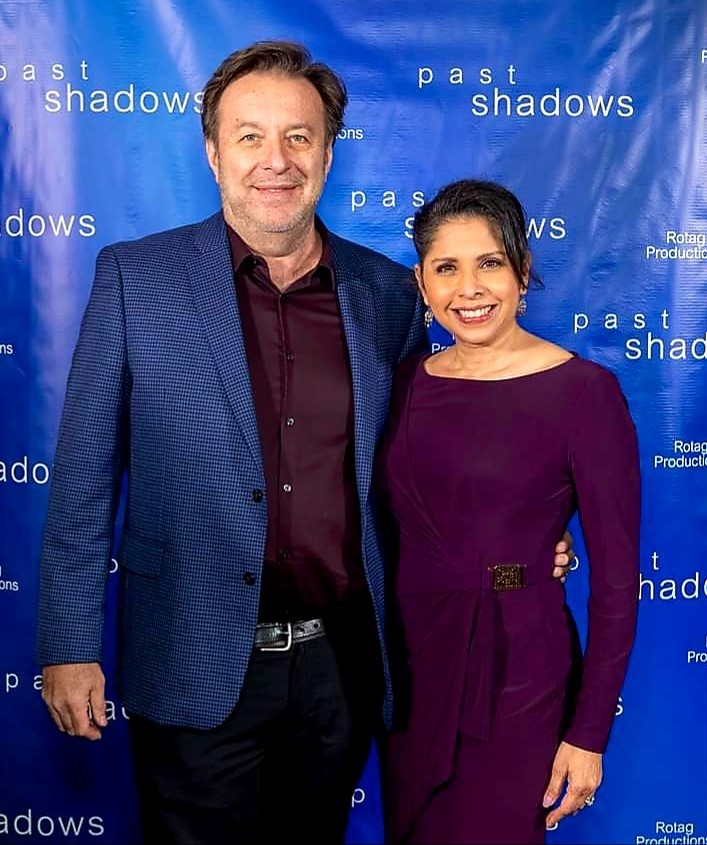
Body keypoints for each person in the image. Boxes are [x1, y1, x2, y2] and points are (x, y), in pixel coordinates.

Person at [35, 42, 573, 845]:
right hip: (190, 655)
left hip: (341, 670)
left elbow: (421, 466)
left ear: (328, 151)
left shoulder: (387, 293)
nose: (275, 161)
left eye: (299, 136)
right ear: (214, 153)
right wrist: (70, 645)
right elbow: (82, 477)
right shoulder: (133, 279)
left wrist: (518, 533)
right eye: (250, 136)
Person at [378, 179, 640, 845]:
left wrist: (587, 735)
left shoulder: (584, 393)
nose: (468, 288)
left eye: (489, 263)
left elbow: (614, 583)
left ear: (522, 272)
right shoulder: (403, 382)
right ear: (421, 282)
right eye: (446, 267)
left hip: (517, 670)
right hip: (410, 670)